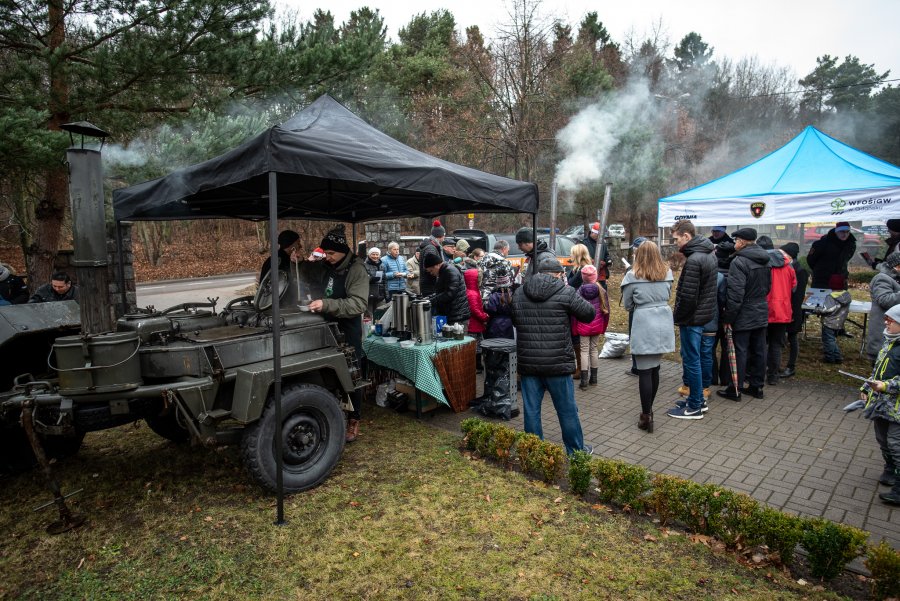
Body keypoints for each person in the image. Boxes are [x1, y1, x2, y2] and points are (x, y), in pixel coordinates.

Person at [511, 257, 595, 455]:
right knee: (566, 410)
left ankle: (534, 452)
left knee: (531, 410)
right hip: (558, 362)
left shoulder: (520, 292)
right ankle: (575, 451)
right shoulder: (565, 292)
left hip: (529, 362)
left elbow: (514, 319)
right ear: (559, 274)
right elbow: (589, 314)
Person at [299, 224, 369, 443]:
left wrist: (326, 304)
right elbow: (308, 270)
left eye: (330, 253)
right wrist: (296, 262)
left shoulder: (356, 269)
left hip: (347, 330)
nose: (326, 257)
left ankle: (354, 418)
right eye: (325, 252)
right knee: (327, 373)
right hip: (325, 328)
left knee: (351, 373)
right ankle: (330, 412)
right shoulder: (327, 265)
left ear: (343, 251)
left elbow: (358, 304)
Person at [667, 220, 718, 420]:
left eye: (676, 239)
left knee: (691, 361)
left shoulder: (695, 259)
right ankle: (697, 400)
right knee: (694, 360)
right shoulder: (708, 255)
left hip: (692, 318)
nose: (676, 243)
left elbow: (687, 297)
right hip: (702, 315)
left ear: (686, 236)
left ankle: (695, 406)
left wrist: (677, 316)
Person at [622, 241, 675, 432]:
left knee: (645, 370)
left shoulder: (632, 276)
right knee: (655, 368)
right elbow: (668, 295)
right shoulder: (667, 274)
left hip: (644, 322)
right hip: (663, 321)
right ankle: (648, 411)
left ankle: (647, 415)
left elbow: (627, 304)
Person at [717, 228, 770, 401]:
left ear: (741, 242)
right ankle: (757, 386)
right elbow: (768, 287)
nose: (734, 244)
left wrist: (728, 318)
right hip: (761, 308)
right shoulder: (765, 259)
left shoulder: (739, 262)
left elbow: (735, 294)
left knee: (739, 350)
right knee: (760, 350)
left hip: (744, 311)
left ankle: (735, 388)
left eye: (736, 240)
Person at [861, 304, 900, 505]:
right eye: (886, 319)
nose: (886, 322)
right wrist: (867, 388)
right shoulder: (888, 343)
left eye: (891, 320)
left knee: (896, 443)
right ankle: (890, 468)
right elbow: (878, 371)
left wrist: (885, 386)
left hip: (897, 408)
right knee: (883, 439)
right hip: (882, 405)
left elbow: (888, 380)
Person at [756, 236, 796, 386]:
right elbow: (794, 287)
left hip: (764, 309)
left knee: (760, 344)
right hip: (783, 312)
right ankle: (773, 376)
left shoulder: (761, 264)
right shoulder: (788, 266)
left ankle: (758, 375)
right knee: (776, 345)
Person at [572, 265, 609, 390]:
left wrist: (574, 328)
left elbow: (574, 312)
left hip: (583, 326)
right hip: (597, 325)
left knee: (584, 351)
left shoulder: (578, 292)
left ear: (582, 277)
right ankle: (594, 379)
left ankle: (584, 381)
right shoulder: (602, 290)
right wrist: (604, 327)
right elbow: (607, 311)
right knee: (593, 350)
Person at [779, 242, 809, 378]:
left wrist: (791, 312)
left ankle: (791, 366)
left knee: (792, 338)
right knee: (781, 337)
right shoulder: (787, 267)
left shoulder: (800, 271)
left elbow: (797, 296)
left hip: (793, 310)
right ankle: (778, 365)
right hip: (784, 309)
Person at [867, 252, 900, 363]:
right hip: (882, 336)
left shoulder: (897, 279)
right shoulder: (882, 278)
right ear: (895, 266)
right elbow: (884, 300)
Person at [423, 253, 469, 329]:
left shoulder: (450, 271)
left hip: (457, 316)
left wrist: (431, 301)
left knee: (459, 338)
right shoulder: (444, 272)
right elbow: (441, 291)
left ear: (437, 265)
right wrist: (428, 298)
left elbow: (449, 294)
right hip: (453, 314)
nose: (431, 273)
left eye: (431, 270)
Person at [807, 221, 856, 291]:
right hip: (822, 280)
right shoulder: (822, 243)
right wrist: (821, 270)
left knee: (839, 300)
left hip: (840, 279)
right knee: (820, 300)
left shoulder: (851, 244)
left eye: (847, 232)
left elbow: (845, 260)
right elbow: (811, 260)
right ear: (836, 232)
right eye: (842, 232)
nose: (845, 234)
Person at [464, 268, 489, 373]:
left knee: (477, 346)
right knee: (476, 347)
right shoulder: (472, 294)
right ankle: (476, 366)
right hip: (474, 325)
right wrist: (485, 317)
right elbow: (475, 310)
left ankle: (477, 366)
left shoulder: (472, 291)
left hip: (475, 324)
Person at [419, 220, 446, 296]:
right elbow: (430, 267)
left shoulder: (432, 246)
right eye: (444, 234)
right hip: (430, 286)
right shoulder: (431, 248)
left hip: (429, 285)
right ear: (440, 235)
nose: (445, 237)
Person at [580, 222, 610, 288]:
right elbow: (581, 258)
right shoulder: (584, 243)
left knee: (602, 293)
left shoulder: (603, 243)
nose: (599, 237)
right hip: (589, 274)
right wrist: (594, 262)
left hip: (601, 275)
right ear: (593, 233)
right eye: (597, 235)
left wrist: (608, 261)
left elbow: (606, 255)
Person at [484, 275, 514, 339]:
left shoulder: (494, 296)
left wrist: (485, 306)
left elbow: (491, 310)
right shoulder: (512, 296)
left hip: (495, 325)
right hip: (508, 325)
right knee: (507, 345)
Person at [363, 247, 385, 319]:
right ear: (369, 255)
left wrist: (386, 294)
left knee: (380, 315)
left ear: (379, 255)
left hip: (380, 294)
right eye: (373, 254)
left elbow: (385, 281)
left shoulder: (382, 265)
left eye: (377, 254)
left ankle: (378, 330)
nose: (375, 256)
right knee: (368, 316)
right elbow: (362, 279)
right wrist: (371, 279)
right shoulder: (364, 265)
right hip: (369, 294)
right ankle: (368, 329)